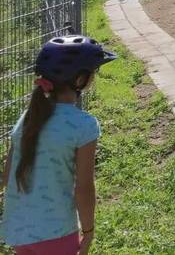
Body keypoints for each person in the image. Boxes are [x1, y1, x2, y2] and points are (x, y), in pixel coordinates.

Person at [2, 35, 117, 255]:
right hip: (56, 233)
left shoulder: (27, 118)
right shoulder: (84, 125)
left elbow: (7, 177)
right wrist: (89, 229)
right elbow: (83, 188)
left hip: (18, 230)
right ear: (81, 79)